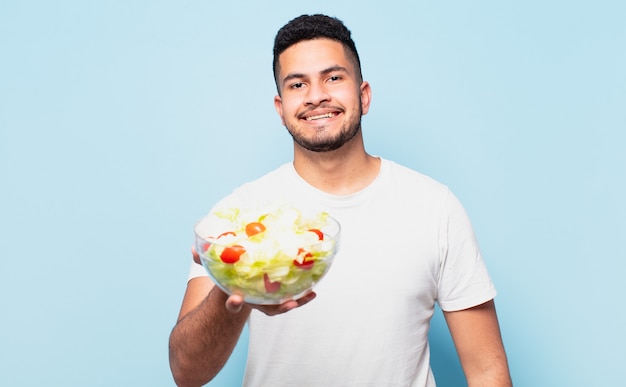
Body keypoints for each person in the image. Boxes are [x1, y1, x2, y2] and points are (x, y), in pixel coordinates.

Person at [169, 14, 512, 387]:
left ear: (363, 96)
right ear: (280, 108)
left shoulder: (435, 207)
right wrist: (232, 292)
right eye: (297, 84)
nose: (317, 95)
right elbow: (186, 373)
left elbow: (487, 371)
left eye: (333, 78)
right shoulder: (240, 219)